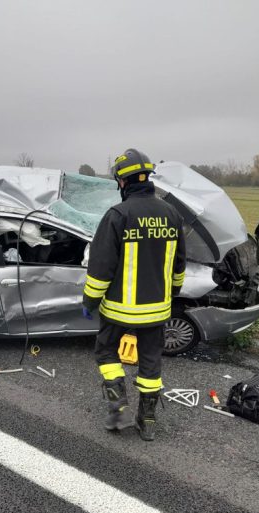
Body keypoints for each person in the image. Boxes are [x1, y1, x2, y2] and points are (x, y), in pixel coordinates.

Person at [82, 149, 186, 441]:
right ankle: (148, 421)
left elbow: (100, 268)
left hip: (118, 309)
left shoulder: (118, 215)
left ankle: (119, 409)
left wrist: (89, 301)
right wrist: (171, 293)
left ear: (122, 181)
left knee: (106, 351)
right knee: (151, 361)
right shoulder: (172, 214)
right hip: (157, 310)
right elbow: (179, 265)